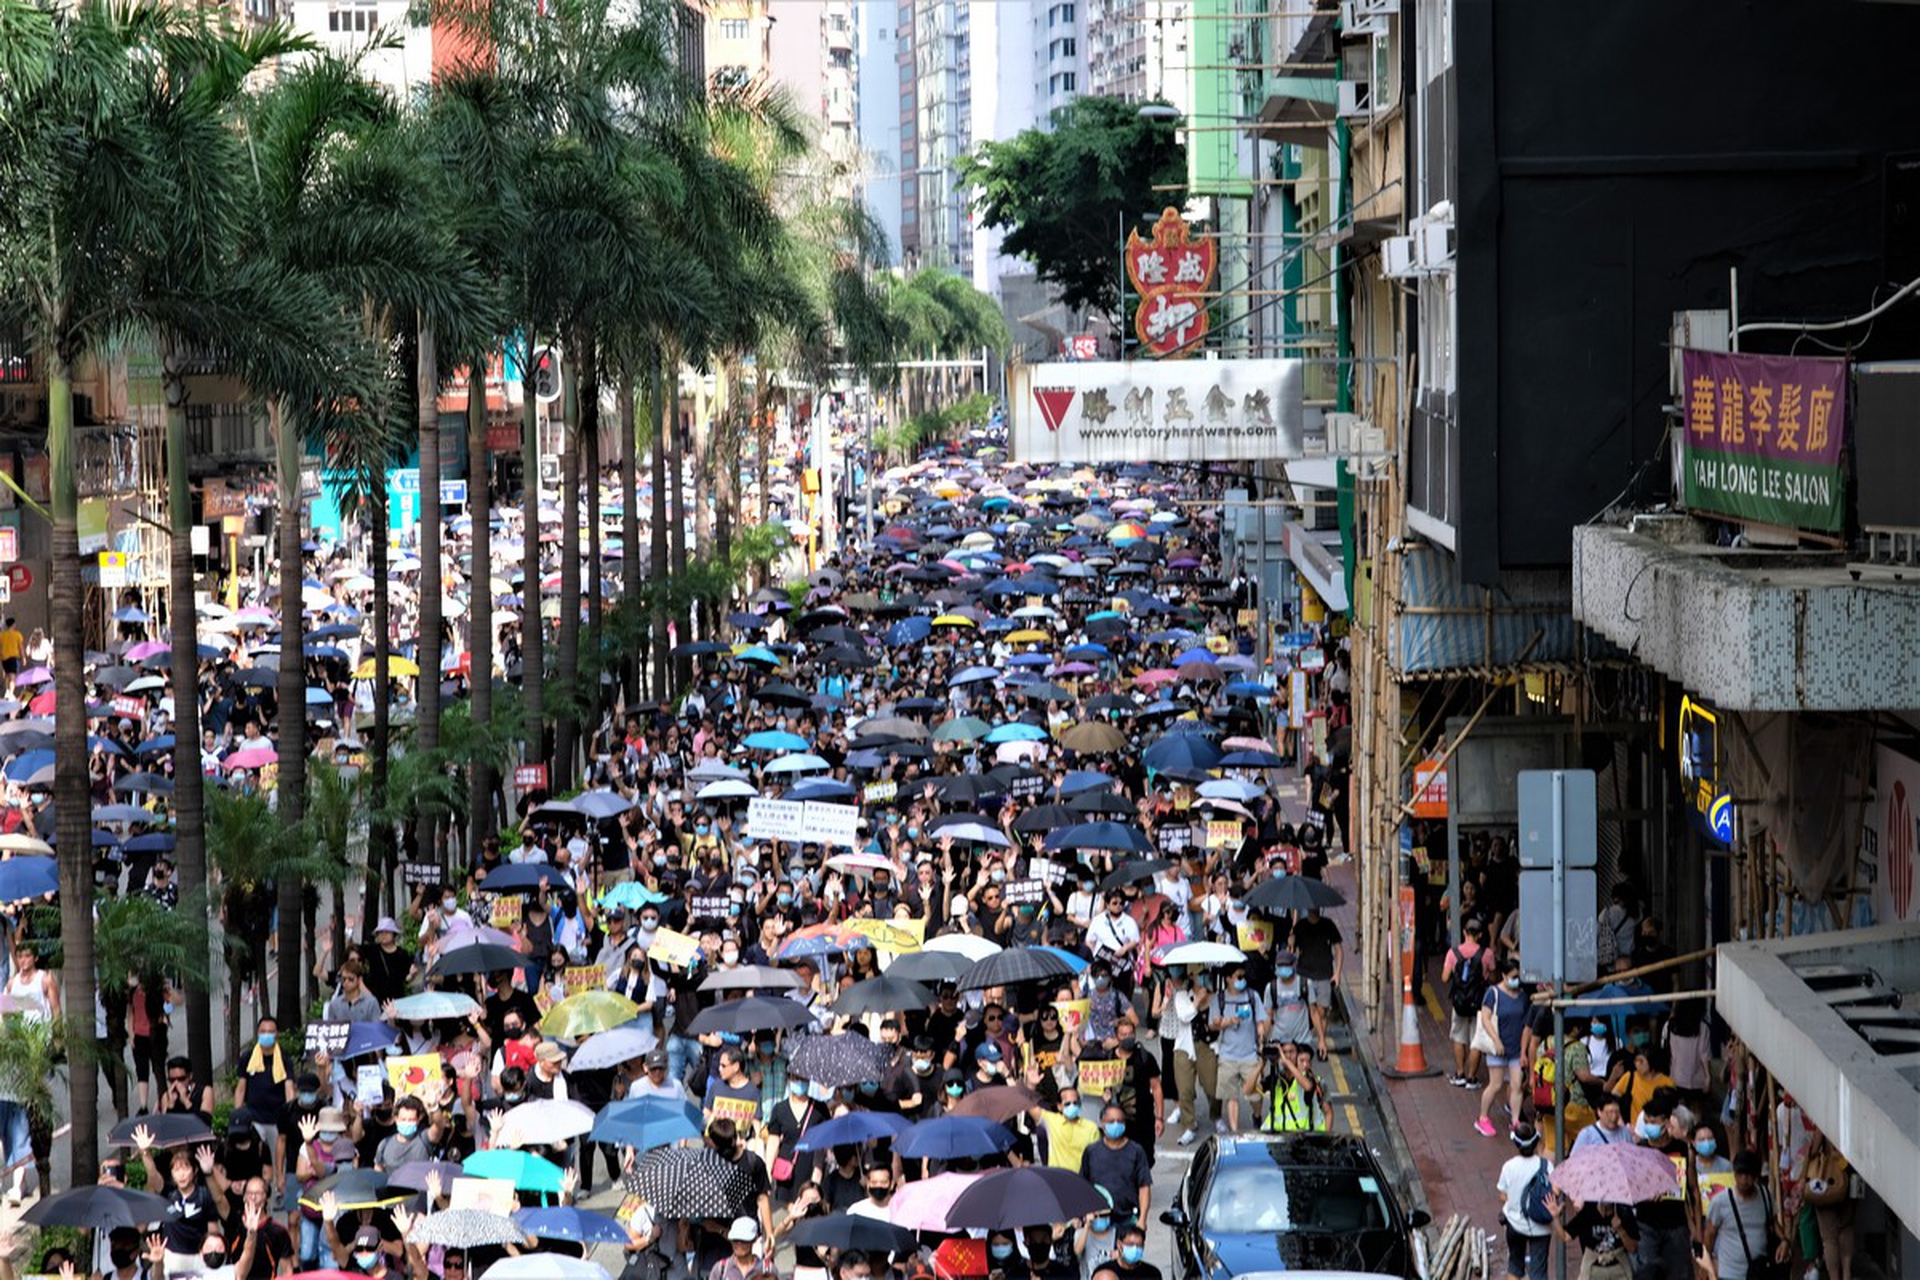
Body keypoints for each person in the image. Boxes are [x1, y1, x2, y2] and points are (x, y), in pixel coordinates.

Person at [1704, 1152, 1787, 1280]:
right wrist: (1707, 1267)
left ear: (1755, 1176)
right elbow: (1710, 1235)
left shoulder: (1765, 1196)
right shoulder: (1721, 1202)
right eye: (1740, 1174)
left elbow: (1774, 1223)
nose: (1743, 1179)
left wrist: (1784, 1241)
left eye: (1748, 1175)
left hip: (1761, 1271)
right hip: (1730, 1274)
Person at [1208, 966, 1267, 1133]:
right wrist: (1228, 1021)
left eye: (1243, 976)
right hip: (1227, 1055)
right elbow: (1213, 1025)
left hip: (1250, 1054)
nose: (1242, 980)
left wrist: (1261, 1039)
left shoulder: (1252, 996)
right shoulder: (1218, 999)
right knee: (1231, 1096)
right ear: (1228, 979)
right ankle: (1235, 1130)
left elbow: (1261, 1022)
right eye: (1238, 976)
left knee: (1255, 1095)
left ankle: (1257, 1115)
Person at [1475, 958, 1529, 1138]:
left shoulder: (1522, 995)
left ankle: (1515, 1121)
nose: (1516, 980)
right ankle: (1482, 1118)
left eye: (1518, 976)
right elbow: (1485, 1018)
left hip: (1515, 1048)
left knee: (1516, 1086)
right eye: (1513, 976)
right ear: (1504, 975)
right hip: (1498, 1048)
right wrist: (1496, 1040)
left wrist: (1523, 1051)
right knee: (1496, 1084)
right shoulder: (1493, 993)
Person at [1495, 1122, 1552, 1280]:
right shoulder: (1547, 1166)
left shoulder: (1509, 1167)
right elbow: (1554, 1192)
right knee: (1538, 1271)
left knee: (1514, 1265)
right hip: (1541, 1226)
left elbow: (1502, 1194)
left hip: (1514, 1223)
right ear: (1535, 1142)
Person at [1441, 919, 1494, 1088]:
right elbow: (1492, 978)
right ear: (1480, 935)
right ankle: (1472, 1078)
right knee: (1475, 1040)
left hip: (1459, 1002)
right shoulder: (1487, 954)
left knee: (1458, 1037)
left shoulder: (1453, 953)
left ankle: (1459, 1074)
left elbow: (1444, 978)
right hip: (1479, 1004)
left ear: (1464, 932)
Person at [1079, 1105, 1151, 1228]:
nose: (1116, 1125)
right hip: (1099, 1219)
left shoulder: (1136, 1151)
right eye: (1111, 1121)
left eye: (1120, 1121)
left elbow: (1144, 1187)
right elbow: (1082, 1185)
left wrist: (1142, 1219)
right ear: (1102, 1123)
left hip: (1128, 1219)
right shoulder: (1091, 1151)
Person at [1287, 906, 1343, 1061]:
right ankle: (1321, 1043)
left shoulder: (1328, 924)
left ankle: (1320, 1038)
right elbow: (1291, 952)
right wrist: (1290, 942)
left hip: (1325, 974)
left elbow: (1338, 949)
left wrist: (1337, 973)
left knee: (1323, 1011)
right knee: (1312, 1009)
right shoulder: (1300, 926)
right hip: (1305, 975)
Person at [1028, 1084, 1100, 1174]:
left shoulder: (1091, 1128)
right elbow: (1027, 1104)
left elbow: (1096, 1158)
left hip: (1082, 1180)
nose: (1072, 1106)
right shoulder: (1051, 1121)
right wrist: (1030, 1085)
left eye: (1075, 1103)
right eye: (1067, 1104)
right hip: (1057, 1178)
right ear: (1059, 1106)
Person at [709, 1219, 773, 1280]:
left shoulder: (768, 1269)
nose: (739, 1244)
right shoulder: (720, 1269)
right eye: (735, 1240)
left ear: (754, 1239)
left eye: (744, 1240)